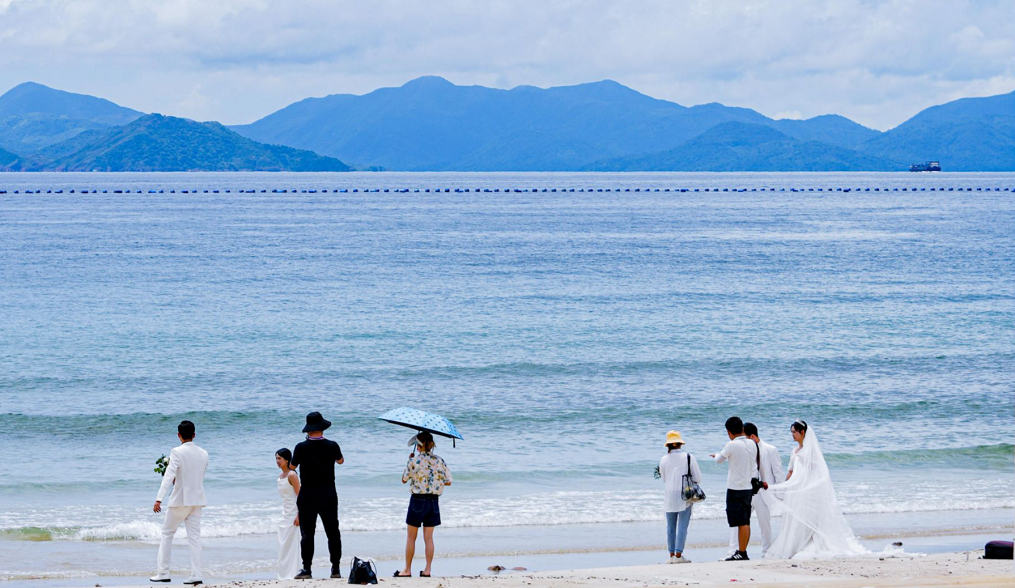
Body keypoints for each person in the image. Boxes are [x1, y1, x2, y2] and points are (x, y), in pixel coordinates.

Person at [761, 420, 866, 559]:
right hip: (797, 490)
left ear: (802, 432)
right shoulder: (794, 451)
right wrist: (785, 487)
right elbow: (791, 471)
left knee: (809, 519)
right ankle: (796, 546)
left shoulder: (811, 451)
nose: (792, 435)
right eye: (791, 432)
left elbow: (818, 471)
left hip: (808, 491)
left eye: (794, 432)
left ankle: (811, 544)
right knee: (796, 519)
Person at [151, 420, 209, 585]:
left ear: (178, 435)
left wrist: (159, 498)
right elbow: (198, 475)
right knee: (195, 538)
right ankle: (197, 573)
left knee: (167, 533)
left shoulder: (176, 452)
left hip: (179, 501)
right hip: (197, 501)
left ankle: (163, 572)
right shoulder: (204, 453)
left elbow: (169, 476)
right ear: (194, 435)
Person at [290, 412, 344, 580]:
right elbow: (341, 461)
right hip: (328, 493)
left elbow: (292, 466)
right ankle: (335, 569)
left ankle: (307, 569)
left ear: (308, 430)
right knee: (333, 532)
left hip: (308, 494)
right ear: (322, 428)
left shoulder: (301, 447)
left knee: (308, 534)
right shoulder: (332, 445)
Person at [394, 432, 452, 578]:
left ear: (419, 446)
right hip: (433, 502)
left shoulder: (415, 460)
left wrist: (409, 462)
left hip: (417, 501)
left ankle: (407, 569)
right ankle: (427, 570)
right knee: (429, 538)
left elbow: (404, 479)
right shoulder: (440, 460)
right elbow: (449, 481)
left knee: (411, 537)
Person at [726, 422, 783, 558]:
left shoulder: (770, 449)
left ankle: (766, 552)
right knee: (739, 522)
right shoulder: (744, 448)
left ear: (752, 436)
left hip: (763, 492)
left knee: (764, 524)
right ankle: (734, 551)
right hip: (745, 490)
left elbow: (778, 473)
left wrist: (779, 494)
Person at [711, 416, 760, 561]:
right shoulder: (752, 444)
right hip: (747, 487)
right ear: (742, 429)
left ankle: (741, 552)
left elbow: (719, 460)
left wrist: (716, 455)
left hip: (735, 488)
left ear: (728, 432)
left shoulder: (731, 445)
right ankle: (743, 551)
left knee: (739, 522)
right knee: (745, 521)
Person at [658, 431, 701, 564]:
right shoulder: (689, 457)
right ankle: (678, 555)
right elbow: (697, 478)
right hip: (685, 494)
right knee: (682, 525)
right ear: (680, 444)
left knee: (670, 527)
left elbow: (664, 478)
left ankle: (671, 555)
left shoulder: (664, 459)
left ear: (668, 445)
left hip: (670, 494)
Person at [275, 448, 301, 579]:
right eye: (276, 459)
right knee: (283, 545)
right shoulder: (280, 477)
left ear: (286, 459)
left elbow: (300, 496)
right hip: (284, 515)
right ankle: (283, 574)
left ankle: (291, 574)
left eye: (279, 458)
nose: (277, 461)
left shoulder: (292, 475)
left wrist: (299, 515)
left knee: (291, 546)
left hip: (293, 515)